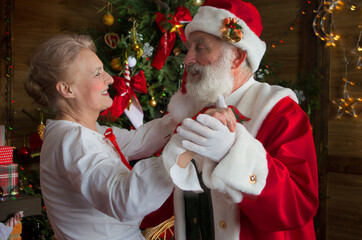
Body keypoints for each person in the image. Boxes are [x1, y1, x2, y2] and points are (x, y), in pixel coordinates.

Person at [24, 34, 235, 240]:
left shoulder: (80, 131)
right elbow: (124, 200)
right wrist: (196, 134)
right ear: (66, 89)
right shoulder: (74, 140)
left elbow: (139, 140)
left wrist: (190, 111)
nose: (109, 78)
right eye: (97, 74)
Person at [161, 0, 319, 239]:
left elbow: (299, 205)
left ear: (236, 57)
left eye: (200, 48)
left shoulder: (280, 111)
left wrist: (232, 153)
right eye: (189, 48)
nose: (187, 60)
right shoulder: (191, 113)